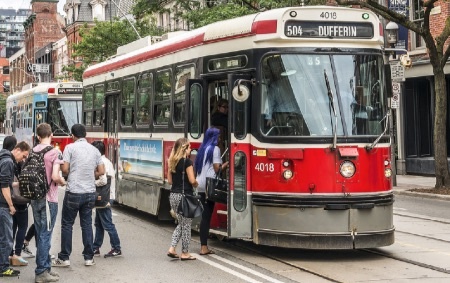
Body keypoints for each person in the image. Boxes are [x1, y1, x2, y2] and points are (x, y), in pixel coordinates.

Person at [52, 124, 104, 267]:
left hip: (74, 191)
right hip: (89, 192)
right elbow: (101, 170)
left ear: (72, 135)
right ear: (85, 134)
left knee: (67, 224)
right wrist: (90, 174)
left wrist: (71, 172)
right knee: (87, 224)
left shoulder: (70, 148)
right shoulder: (94, 150)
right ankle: (88, 257)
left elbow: (65, 169)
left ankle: (64, 258)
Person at [31, 123, 66, 282]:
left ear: (38, 136)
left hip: (35, 198)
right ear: (51, 134)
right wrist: (63, 182)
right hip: (49, 199)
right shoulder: (55, 152)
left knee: (40, 234)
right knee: (46, 235)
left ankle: (46, 268)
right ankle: (41, 272)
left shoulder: (33, 150)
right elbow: (54, 176)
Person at [194, 128, 228, 255]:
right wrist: (228, 163)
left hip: (200, 184)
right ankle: (203, 247)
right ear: (214, 137)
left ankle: (203, 245)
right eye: (218, 136)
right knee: (206, 217)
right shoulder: (215, 149)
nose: (219, 139)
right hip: (210, 185)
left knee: (205, 215)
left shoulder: (202, 148)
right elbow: (217, 168)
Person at [0, 137, 30, 278]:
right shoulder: (8, 162)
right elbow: (4, 186)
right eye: (23, 156)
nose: (22, 159)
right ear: (17, 149)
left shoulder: (4, 158)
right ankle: (3, 268)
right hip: (3, 205)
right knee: (6, 238)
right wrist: (11, 205)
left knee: (4, 237)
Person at [167, 138, 198, 261]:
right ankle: (185, 252)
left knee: (182, 223)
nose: (191, 149)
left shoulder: (172, 162)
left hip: (173, 196)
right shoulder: (187, 162)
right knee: (186, 225)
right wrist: (196, 183)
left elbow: (170, 181)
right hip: (184, 196)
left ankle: (172, 248)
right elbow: (192, 180)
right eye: (190, 147)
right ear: (185, 149)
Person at [91, 141, 122, 258]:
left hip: (105, 197)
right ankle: (95, 247)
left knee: (107, 224)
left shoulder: (102, 162)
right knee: (98, 223)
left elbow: (103, 181)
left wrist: (91, 183)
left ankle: (116, 247)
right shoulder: (106, 161)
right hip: (106, 197)